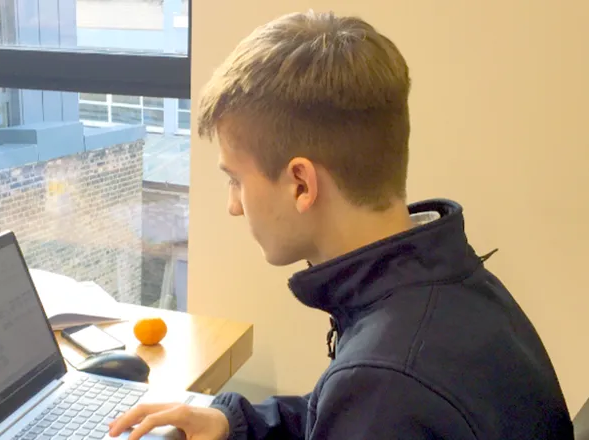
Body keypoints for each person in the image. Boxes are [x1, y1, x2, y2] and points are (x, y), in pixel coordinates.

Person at [109, 10, 574, 440]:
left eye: (235, 180)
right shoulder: (450, 288)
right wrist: (234, 423)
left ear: (300, 184)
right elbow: (336, 413)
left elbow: (372, 402)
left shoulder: (387, 381)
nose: (233, 206)